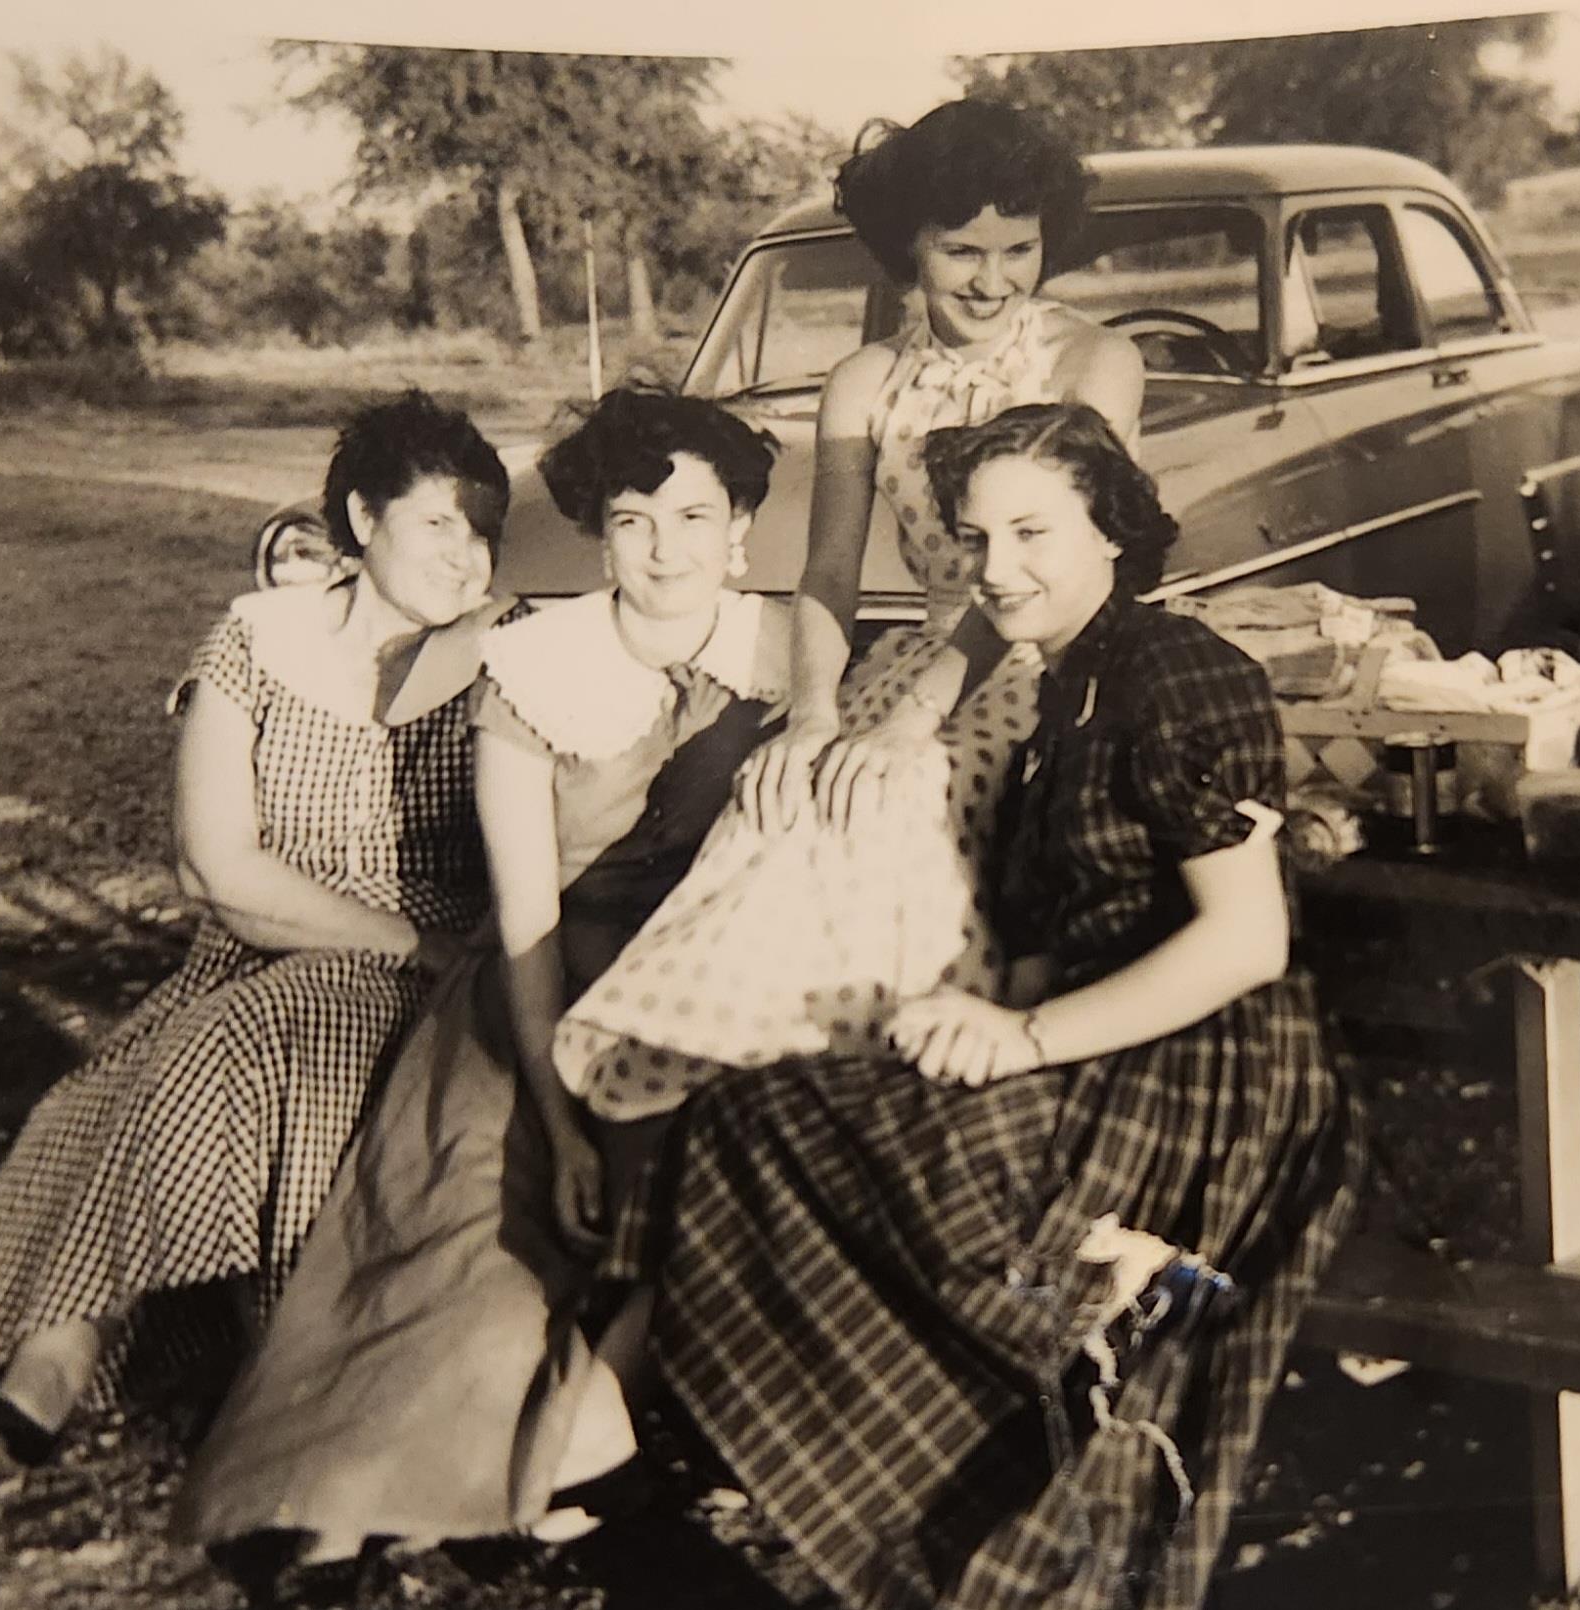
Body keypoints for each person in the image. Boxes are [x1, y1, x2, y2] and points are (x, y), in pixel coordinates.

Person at [624, 403, 1366, 1610]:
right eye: (974, 540)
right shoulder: (1056, 693)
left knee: (968, 1202)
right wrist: (966, 1020)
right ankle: (896, 1492)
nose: (997, 569)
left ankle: (1039, 1486)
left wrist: (1021, 1037)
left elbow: (1247, 941)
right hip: (1095, 1044)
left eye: (1033, 532)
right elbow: (1057, 924)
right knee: (760, 1120)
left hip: (1216, 1073)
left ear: (1113, 531)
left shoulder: (1175, 673)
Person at [173, 387, 789, 1568]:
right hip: (538, 988)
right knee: (477, 1226)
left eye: (696, 519)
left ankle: (557, 1452)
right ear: (598, 538)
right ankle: (341, 1495)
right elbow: (526, 916)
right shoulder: (530, 671)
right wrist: (556, 1121)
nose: (666, 551)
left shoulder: (789, 641)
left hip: (711, 986)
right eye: (633, 520)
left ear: (739, 532)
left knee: (690, 1194)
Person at [552, 98, 1145, 1093]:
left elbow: (1063, 577)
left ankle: (865, 1071)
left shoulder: (1092, 361)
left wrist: (914, 720)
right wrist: (815, 713)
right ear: (909, 242)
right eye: (963, 250)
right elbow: (827, 573)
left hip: (1050, 666)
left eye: (1019, 248)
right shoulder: (865, 380)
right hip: (915, 662)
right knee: (780, 791)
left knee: (892, 796)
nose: (993, 280)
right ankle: (713, 1062)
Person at [0, 390, 508, 1460]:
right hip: (256, 953)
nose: (466, 553)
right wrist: (405, 939)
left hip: (424, 978)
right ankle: (280, 1390)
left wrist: (429, 951)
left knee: (236, 1045)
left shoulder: (501, 652)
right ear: (361, 519)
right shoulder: (258, 638)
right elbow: (213, 865)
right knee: (138, 1074)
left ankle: (80, 1335)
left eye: (484, 530)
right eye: (441, 521)